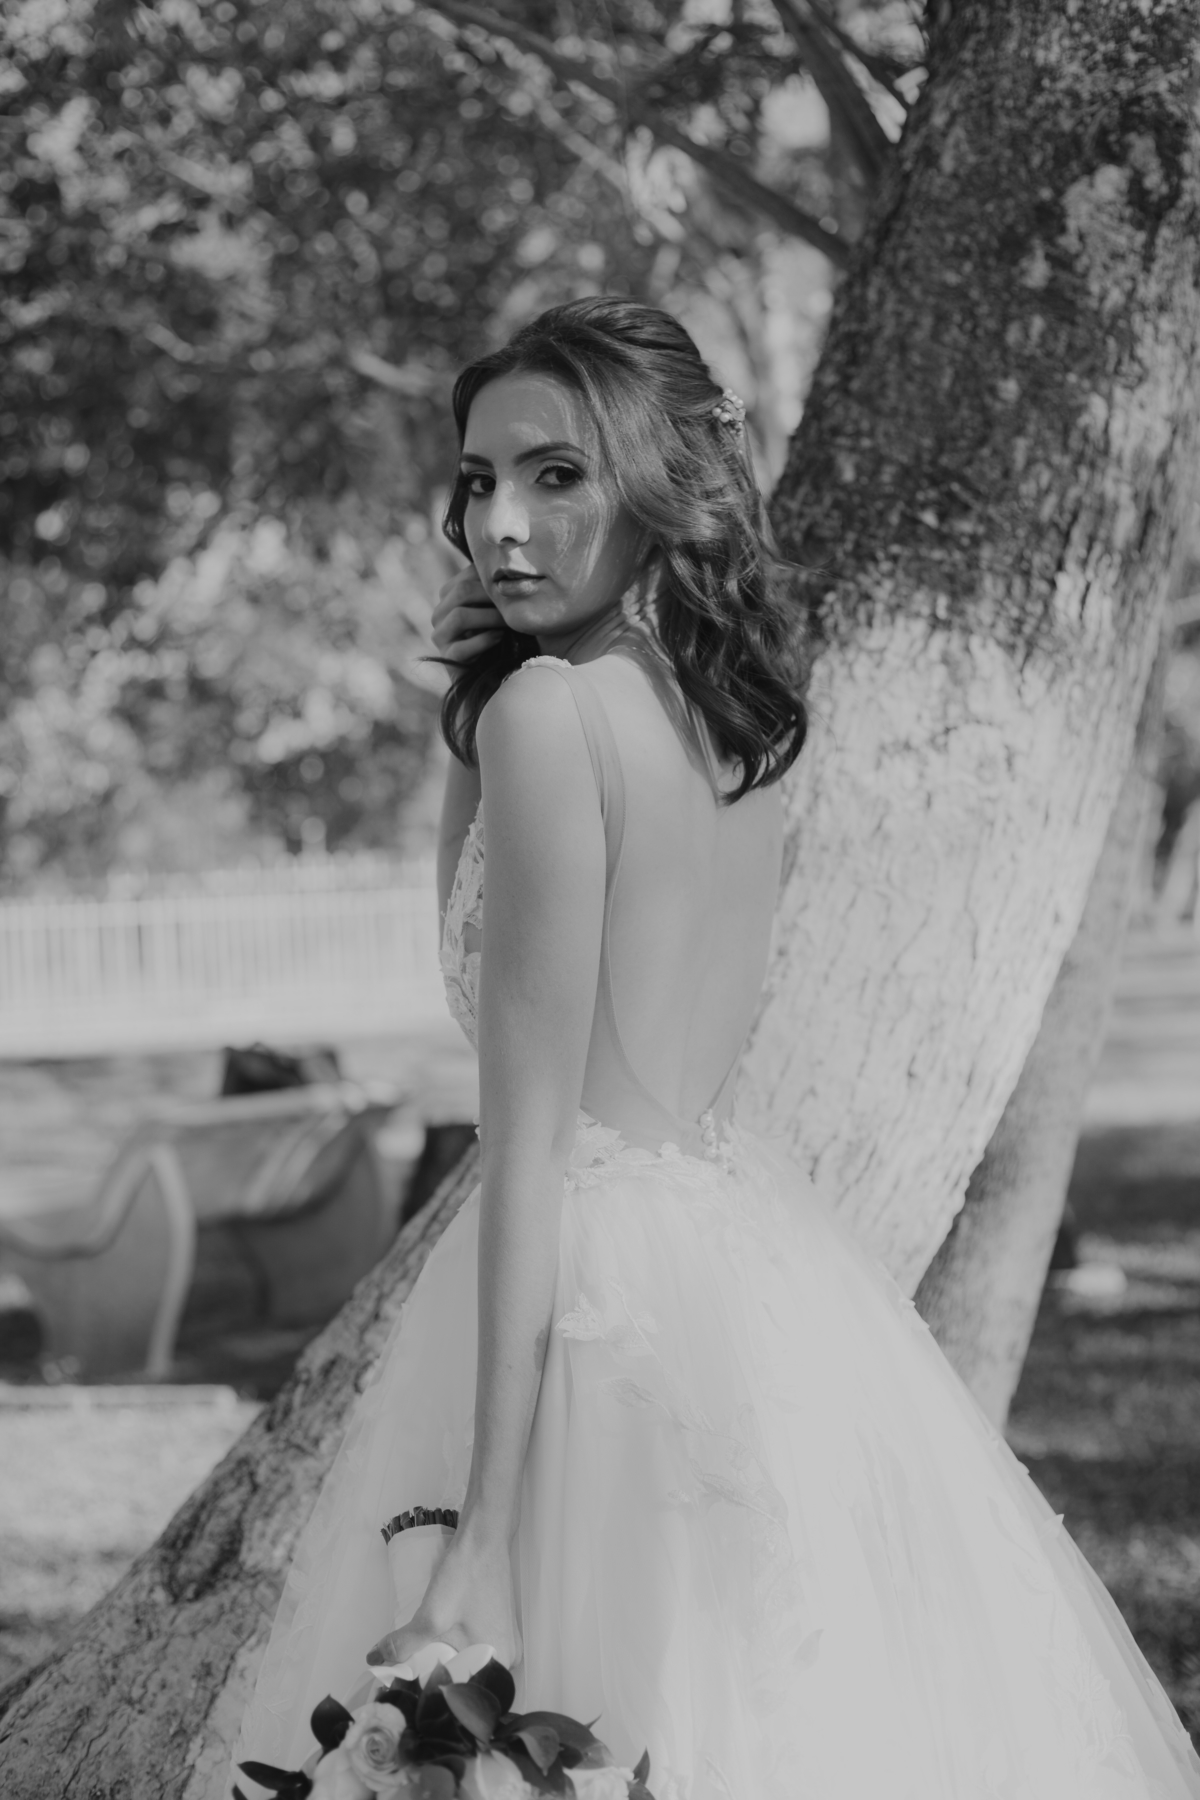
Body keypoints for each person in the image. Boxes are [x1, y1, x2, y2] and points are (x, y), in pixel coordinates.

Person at [234, 297, 1200, 1799]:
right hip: (742, 1270)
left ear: (657, 480)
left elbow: (529, 1143)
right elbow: (510, 969)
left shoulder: (551, 717)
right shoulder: (730, 721)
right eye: (481, 482)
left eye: (557, 475)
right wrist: (463, 721)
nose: (501, 525)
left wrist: (484, 1542)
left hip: (587, 1295)